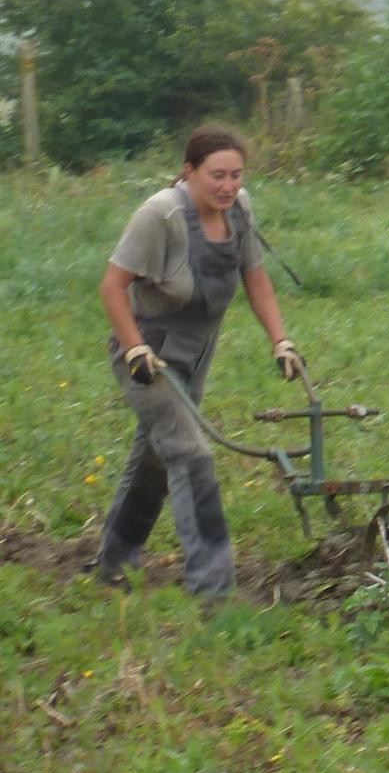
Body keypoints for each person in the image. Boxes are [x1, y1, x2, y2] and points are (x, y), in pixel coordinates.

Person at [93, 125, 305, 596]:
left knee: (156, 457)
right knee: (191, 455)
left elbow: (254, 276)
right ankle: (213, 591)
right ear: (189, 172)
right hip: (148, 351)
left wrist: (281, 341)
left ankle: (113, 562)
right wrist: (134, 348)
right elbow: (112, 287)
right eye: (216, 176)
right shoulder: (160, 215)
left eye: (236, 174)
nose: (228, 186)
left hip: (198, 350)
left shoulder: (239, 209)